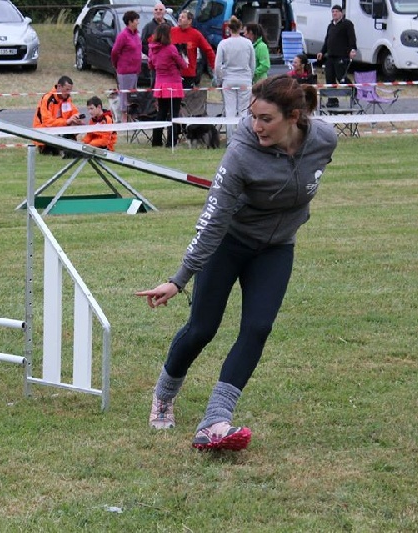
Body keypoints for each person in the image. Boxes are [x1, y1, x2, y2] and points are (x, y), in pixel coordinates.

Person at [136, 75, 338, 451]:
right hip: (228, 244)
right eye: (252, 116)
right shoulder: (241, 152)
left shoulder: (324, 140)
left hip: (277, 247)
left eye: (265, 119)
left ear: (293, 117)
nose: (255, 126)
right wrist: (178, 280)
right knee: (202, 329)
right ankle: (164, 395)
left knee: (258, 328)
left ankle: (216, 419)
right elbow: (213, 221)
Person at [214, 16, 255, 140]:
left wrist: (220, 79)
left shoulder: (223, 43)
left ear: (229, 29)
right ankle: (244, 138)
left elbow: (217, 66)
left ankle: (230, 139)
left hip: (229, 79)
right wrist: (250, 77)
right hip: (245, 79)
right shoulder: (248, 43)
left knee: (230, 110)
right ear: (241, 28)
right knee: (243, 110)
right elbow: (252, 64)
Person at [148, 23, 186, 148]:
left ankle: (156, 141)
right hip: (173, 84)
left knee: (161, 113)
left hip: (160, 83)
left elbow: (151, 65)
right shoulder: (171, 48)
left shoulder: (152, 48)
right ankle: (171, 142)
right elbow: (182, 65)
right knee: (174, 114)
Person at [32, 75, 84, 155]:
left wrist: (77, 119)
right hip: (45, 133)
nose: (68, 93)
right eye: (67, 90)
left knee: (73, 149)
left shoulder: (67, 98)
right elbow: (47, 122)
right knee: (56, 151)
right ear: (59, 87)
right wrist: (67, 121)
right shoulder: (47, 99)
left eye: (70, 90)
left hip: (61, 131)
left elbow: (74, 112)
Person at [170, 10, 215, 90]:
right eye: (179, 17)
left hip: (188, 74)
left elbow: (208, 50)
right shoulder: (171, 31)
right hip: (172, 73)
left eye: (183, 17)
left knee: (186, 99)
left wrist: (214, 67)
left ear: (190, 21)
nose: (179, 19)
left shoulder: (196, 34)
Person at [111, 10, 142, 123]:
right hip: (125, 70)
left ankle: (132, 115)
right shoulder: (123, 35)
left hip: (135, 70)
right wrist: (117, 65)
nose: (138, 22)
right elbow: (114, 51)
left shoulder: (137, 35)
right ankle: (123, 117)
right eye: (136, 20)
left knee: (133, 95)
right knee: (125, 94)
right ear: (130, 22)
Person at [316, 5, 357, 88]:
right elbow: (327, 41)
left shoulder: (347, 24)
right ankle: (332, 99)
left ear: (341, 13)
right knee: (329, 78)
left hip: (341, 56)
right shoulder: (330, 26)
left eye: (336, 11)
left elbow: (352, 38)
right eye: (333, 12)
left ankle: (354, 92)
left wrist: (353, 49)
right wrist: (322, 52)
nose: (334, 13)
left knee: (341, 77)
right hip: (330, 56)